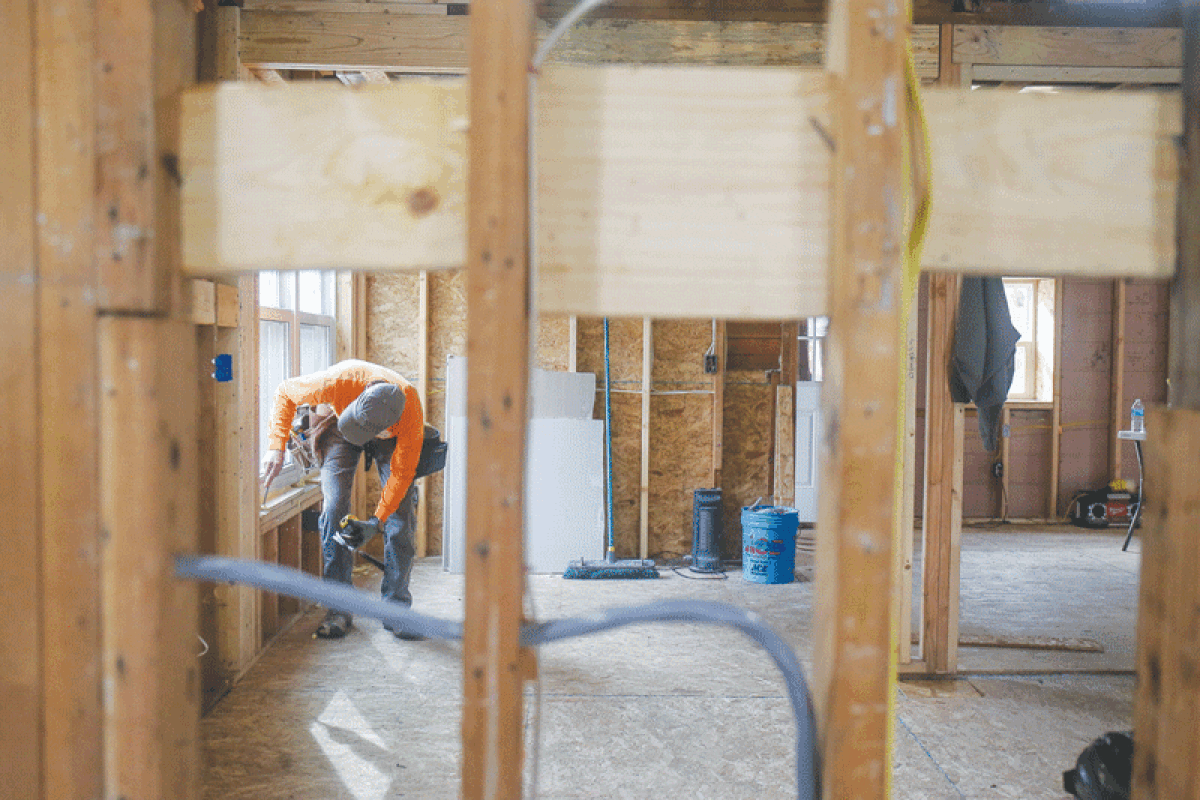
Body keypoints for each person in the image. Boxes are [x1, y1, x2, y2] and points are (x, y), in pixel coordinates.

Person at [260, 359, 424, 640]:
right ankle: (338, 609)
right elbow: (284, 392)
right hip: (343, 422)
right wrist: (276, 447)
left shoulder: (409, 412)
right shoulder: (336, 383)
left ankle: (397, 611)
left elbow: (401, 476)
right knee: (334, 508)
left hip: (391, 434)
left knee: (401, 515)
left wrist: (376, 521)